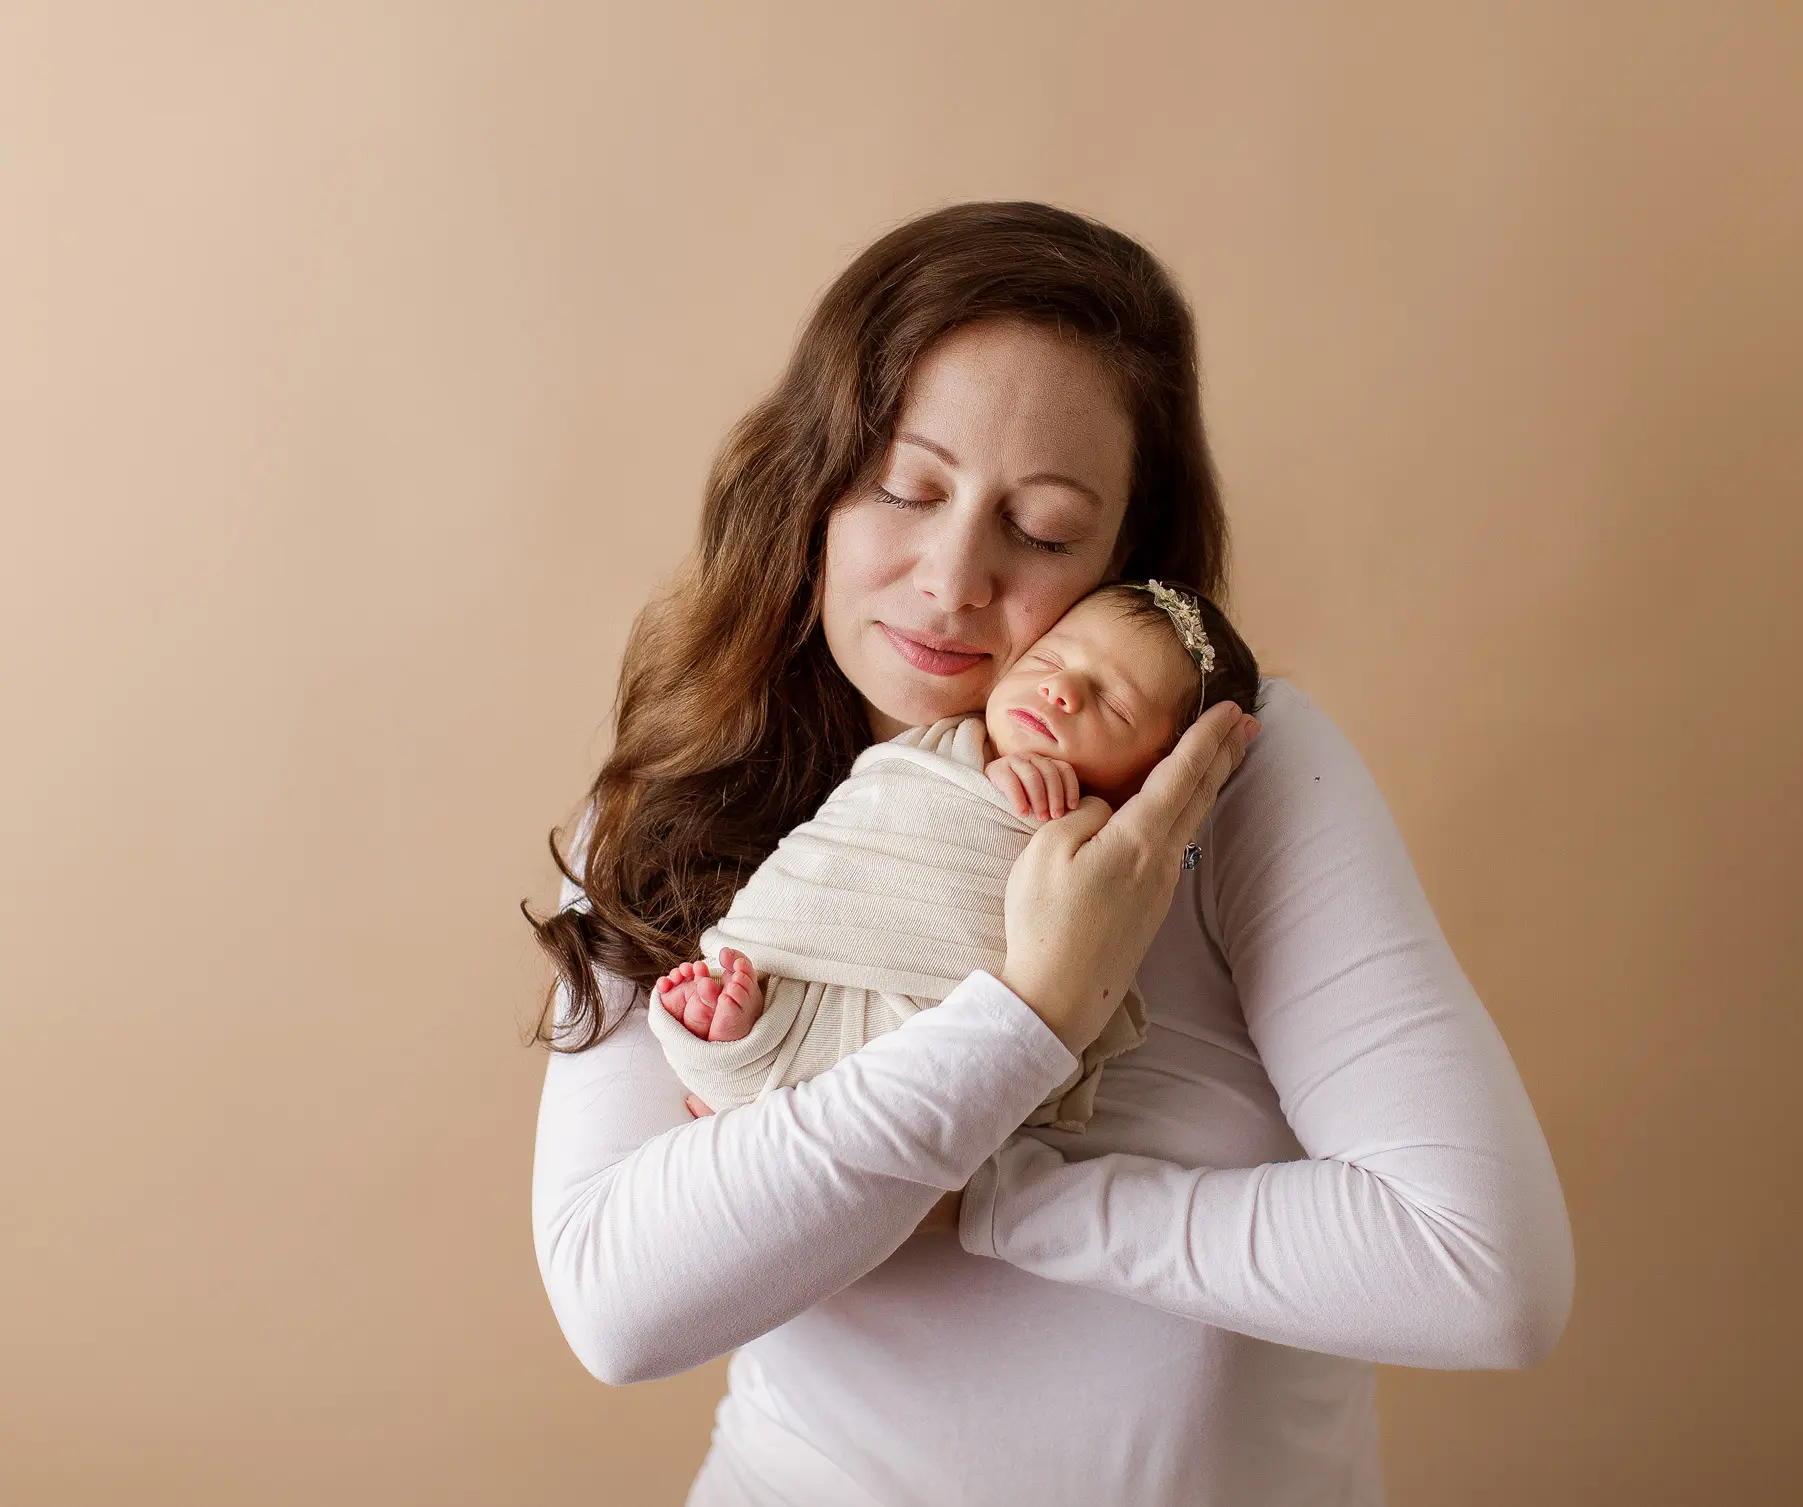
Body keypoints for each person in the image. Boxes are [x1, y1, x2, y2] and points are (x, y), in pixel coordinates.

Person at [527, 201, 1574, 1506]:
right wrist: (1028, 1016)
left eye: (1044, 528)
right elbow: (619, 1304)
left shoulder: (1231, 774)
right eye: (906, 488)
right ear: (812, 487)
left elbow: (1484, 1272)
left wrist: (1007, 1199)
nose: (953, 576)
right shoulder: (676, 802)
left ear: (1129, 567)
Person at [646, 580, 1262, 1133]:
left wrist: (1051, 809)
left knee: (895, 1060)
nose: (1062, 689)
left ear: (1157, 778)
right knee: (767, 987)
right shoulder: (941, 743)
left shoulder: (1095, 836)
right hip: (819, 941)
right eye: (1049, 657)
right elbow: (863, 827)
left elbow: (1081, 919)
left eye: (1113, 705)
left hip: (927, 1005)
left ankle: (750, 1067)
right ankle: (745, 1036)